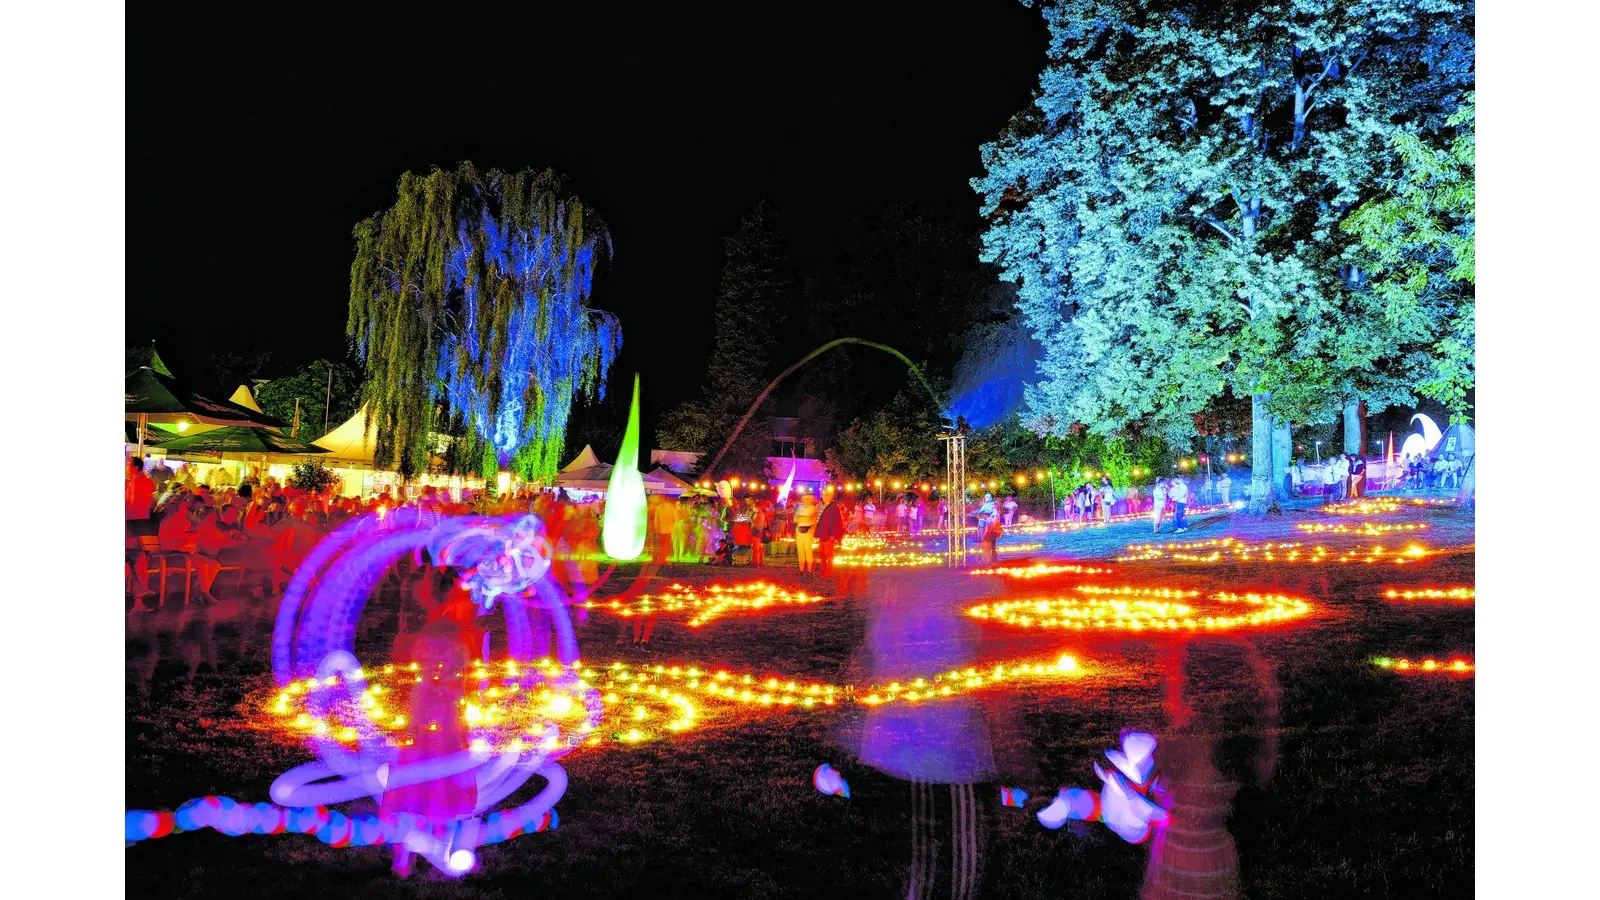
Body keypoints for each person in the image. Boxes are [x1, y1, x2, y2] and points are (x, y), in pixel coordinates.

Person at [127, 457, 161, 612]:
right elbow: (154, 503)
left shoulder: (136, 482)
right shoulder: (148, 481)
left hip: (133, 522)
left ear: (134, 467)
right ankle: (140, 596)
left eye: (128, 465)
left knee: (136, 558)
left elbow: (133, 504)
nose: (126, 467)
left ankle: (139, 599)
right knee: (138, 559)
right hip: (142, 522)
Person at [815, 485, 845, 577]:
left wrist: (833, 535)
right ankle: (823, 572)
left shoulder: (833, 507)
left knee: (829, 555)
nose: (823, 497)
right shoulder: (824, 507)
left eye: (824, 496)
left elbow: (835, 522)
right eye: (823, 495)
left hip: (829, 535)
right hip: (822, 535)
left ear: (829, 496)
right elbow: (820, 521)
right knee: (822, 555)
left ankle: (829, 573)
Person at [794, 493, 819, 574]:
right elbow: (795, 519)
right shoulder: (800, 508)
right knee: (800, 550)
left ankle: (809, 570)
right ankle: (801, 570)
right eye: (805, 499)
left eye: (808, 499)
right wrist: (805, 519)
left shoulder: (813, 508)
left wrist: (802, 519)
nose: (806, 501)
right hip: (799, 530)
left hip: (808, 531)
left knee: (808, 550)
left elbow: (814, 521)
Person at [974, 493, 1000, 564]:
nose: (986, 497)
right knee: (983, 543)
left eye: (988, 496)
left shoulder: (992, 505)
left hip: (988, 526)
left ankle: (989, 559)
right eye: (985, 496)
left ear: (991, 498)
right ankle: (985, 559)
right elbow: (978, 514)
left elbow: (989, 516)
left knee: (988, 543)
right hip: (982, 525)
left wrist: (982, 516)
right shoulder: (984, 505)